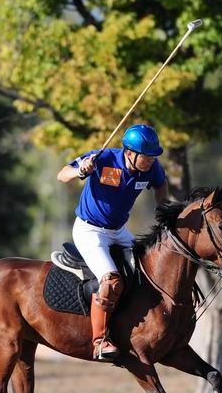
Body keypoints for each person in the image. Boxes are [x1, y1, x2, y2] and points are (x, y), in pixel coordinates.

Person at [56, 124, 171, 361]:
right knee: (110, 281)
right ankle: (100, 342)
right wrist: (81, 171)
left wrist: (163, 209)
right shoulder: (104, 158)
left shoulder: (150, 169)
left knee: (145, 271)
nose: (151, 161)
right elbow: (62, 175)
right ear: (130, 153)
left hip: (118, 231)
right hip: (90, 231)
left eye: (153, 157)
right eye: (147, 157)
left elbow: (161, 185)